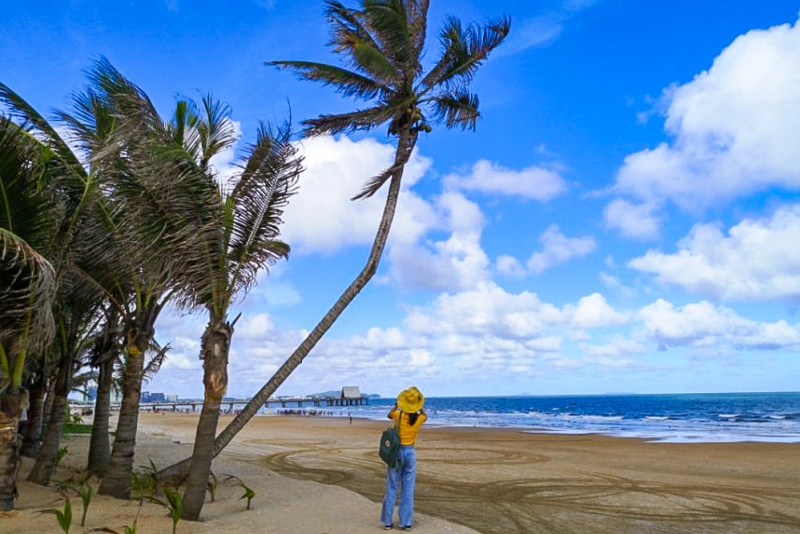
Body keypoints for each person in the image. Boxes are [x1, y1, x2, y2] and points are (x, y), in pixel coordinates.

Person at [381, 386, 427, 531]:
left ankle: (388, 522)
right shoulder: (419, 418)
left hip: (396, 452)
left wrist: (396, 404)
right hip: (410, 453)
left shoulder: (398, 415)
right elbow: (424, 415)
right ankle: (406, 523)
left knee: (392, 487)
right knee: (408, 489)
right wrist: (420, 407)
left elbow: (389, 414)